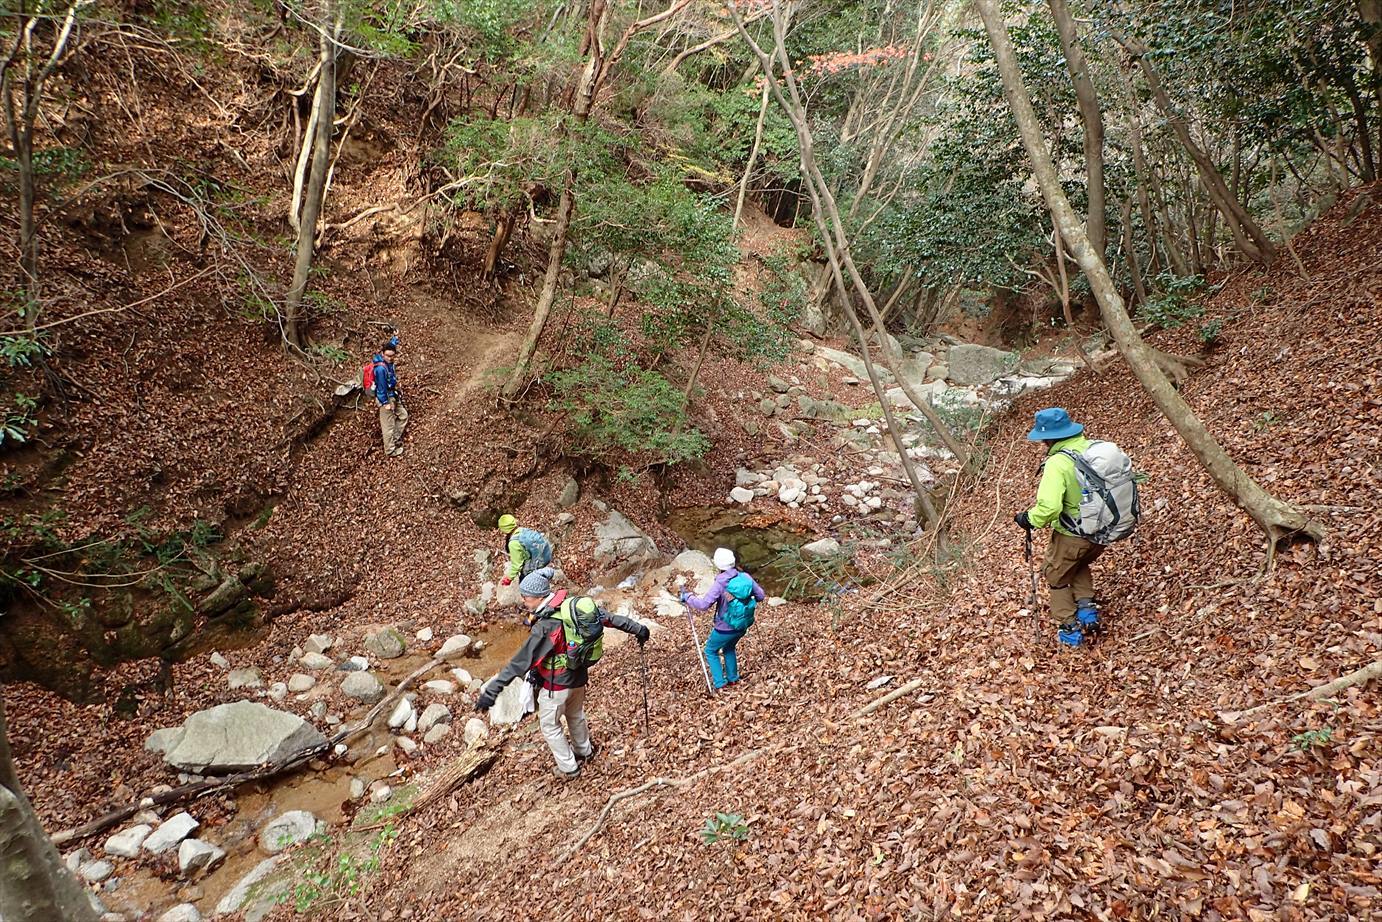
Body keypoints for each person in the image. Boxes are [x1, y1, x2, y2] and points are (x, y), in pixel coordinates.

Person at [476, 567, 649, 780]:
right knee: (575, 715)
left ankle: (569, 768)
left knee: (549, 726)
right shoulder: (573, 608)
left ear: (540, 597)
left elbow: (521, 661)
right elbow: (611, 619)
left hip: (555, 686)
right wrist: (640, 629)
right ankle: (584, 751)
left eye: (526, 596)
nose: (523, 600)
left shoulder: (547, 626)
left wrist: (492, 690)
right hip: (578, 679)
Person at [1014, 407, 1103, 646]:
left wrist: (1029, 519)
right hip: (1102, 531)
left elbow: (1050, 507)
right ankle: (1087, 611)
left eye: (1042, 437)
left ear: (1050, 437)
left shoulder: (1058, 463)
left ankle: (1070, 630)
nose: (1041, 441)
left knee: (1056, 575)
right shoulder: (1092, 448)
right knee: (1078, 563)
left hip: (1073, 533)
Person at [681, 547, 765, 690]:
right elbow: (761, 596)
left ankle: (720, 684)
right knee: (729, 647)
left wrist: (688, 597)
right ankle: (733, 679)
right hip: (742, 625)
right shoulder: (745, 577)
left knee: (710, 650)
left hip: (724, 627)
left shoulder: (720, 584)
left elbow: (703, 605)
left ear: (718, 565)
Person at [496, 515, 553, 586]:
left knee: (524, 587)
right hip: (543, 556)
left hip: (533, 565)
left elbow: (517, 565)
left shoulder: (513, 543)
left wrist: (509, 578)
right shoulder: (523, 530)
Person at [374, 341, 408, 457]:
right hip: (385, 398)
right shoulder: (380, 369)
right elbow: (380, 388)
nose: (390, 358)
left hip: (393, 394)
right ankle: (390, 450)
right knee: (388, 425)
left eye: (392, 356)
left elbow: (392, 342)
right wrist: (385, 402)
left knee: (403, 415)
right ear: (382, 354)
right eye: (387, 356)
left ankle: (394, 439)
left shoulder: (390, 363)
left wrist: (394, 340)